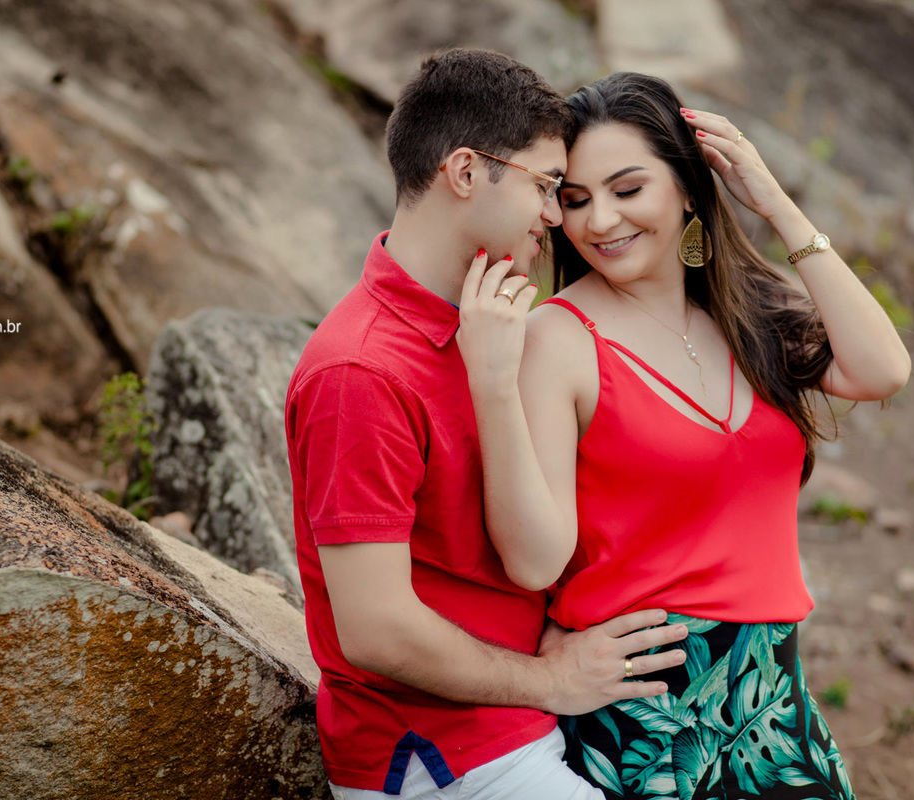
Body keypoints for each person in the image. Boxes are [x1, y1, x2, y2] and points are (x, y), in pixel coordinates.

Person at [458, 71, 911, 799]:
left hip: (772, 702)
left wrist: (776, 203)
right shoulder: (559, 337)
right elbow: (533, 559)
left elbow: (883, 368)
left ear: (688, 187)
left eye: (627, 189)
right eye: (575, 200)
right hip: (643, 716)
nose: (600, 221)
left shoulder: (747, 313)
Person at [285, 51, 689, 800]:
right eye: (544, 186)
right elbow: (373, 630)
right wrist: (551, 678)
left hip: (518, 730)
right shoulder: (361, 372)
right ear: (466, 172)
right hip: (441, 759)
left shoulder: (494, 324)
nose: (553, 215)